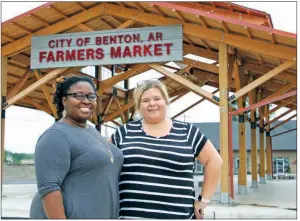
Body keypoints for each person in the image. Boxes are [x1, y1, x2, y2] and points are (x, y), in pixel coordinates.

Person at [111, 79, 223, 219]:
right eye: (145, 100)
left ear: (165, 101)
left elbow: (214, 160)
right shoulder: (123, 133)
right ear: (139, 106)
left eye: (157, 98)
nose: (152, 103)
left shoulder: (187, 132)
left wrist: (203, 200)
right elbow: (101, 162)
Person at [30, 76, 123, 219]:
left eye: (91, 96)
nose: (86, 100)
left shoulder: (91, 131)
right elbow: (49, 189)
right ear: (64, 100)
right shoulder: (56, 135)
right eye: (78, 95)